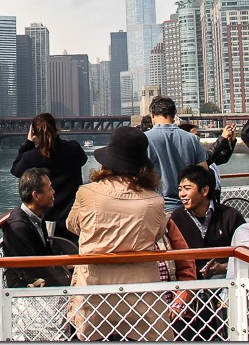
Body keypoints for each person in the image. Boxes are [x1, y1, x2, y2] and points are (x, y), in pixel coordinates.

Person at [66, 126, 170, 341]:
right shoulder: (155, 201)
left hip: (94, 291)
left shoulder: (87, 193)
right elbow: (157, 233)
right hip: (141, 295)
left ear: (108, 161)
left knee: (90, 334)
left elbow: (72, 225)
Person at [10, 113, 87, 241]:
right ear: (56, 128)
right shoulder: (73, 148)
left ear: (33, 133)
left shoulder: (30, 157)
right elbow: (83, 160)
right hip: (73, 218)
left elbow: (16, 171)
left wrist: (28, 143)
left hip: (45, 220)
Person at [169, 165, 246, 278]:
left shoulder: (230, 216)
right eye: (180, 189)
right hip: (190, 279)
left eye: (187, 188)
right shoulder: (177, 217)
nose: (182, 194)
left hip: (226, 278)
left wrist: (223, 267)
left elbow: (245, 251)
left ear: (205, 190)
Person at [1, 167, 72, 288]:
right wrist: (64, 272)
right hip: (29, 292)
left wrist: (64, 265)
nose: (54, 192)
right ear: (36, 195)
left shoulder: (36, 218)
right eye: (50, 189)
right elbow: (32, 270)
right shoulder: (18, 227)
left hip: (42, 283)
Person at [144, 96, 207, 211]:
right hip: (188, 207)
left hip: (157, 208)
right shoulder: (192, 139)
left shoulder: (144, 139)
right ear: (174, 114)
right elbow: (204, 173)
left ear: (152, 114)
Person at [178, 121, 238, 202]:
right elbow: (208, 158)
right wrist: (223, 138)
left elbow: (222, 158)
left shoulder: (199, 152)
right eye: (195, 135)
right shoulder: (187, 155)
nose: (198, 138)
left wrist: (231, 141)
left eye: (198, 135)